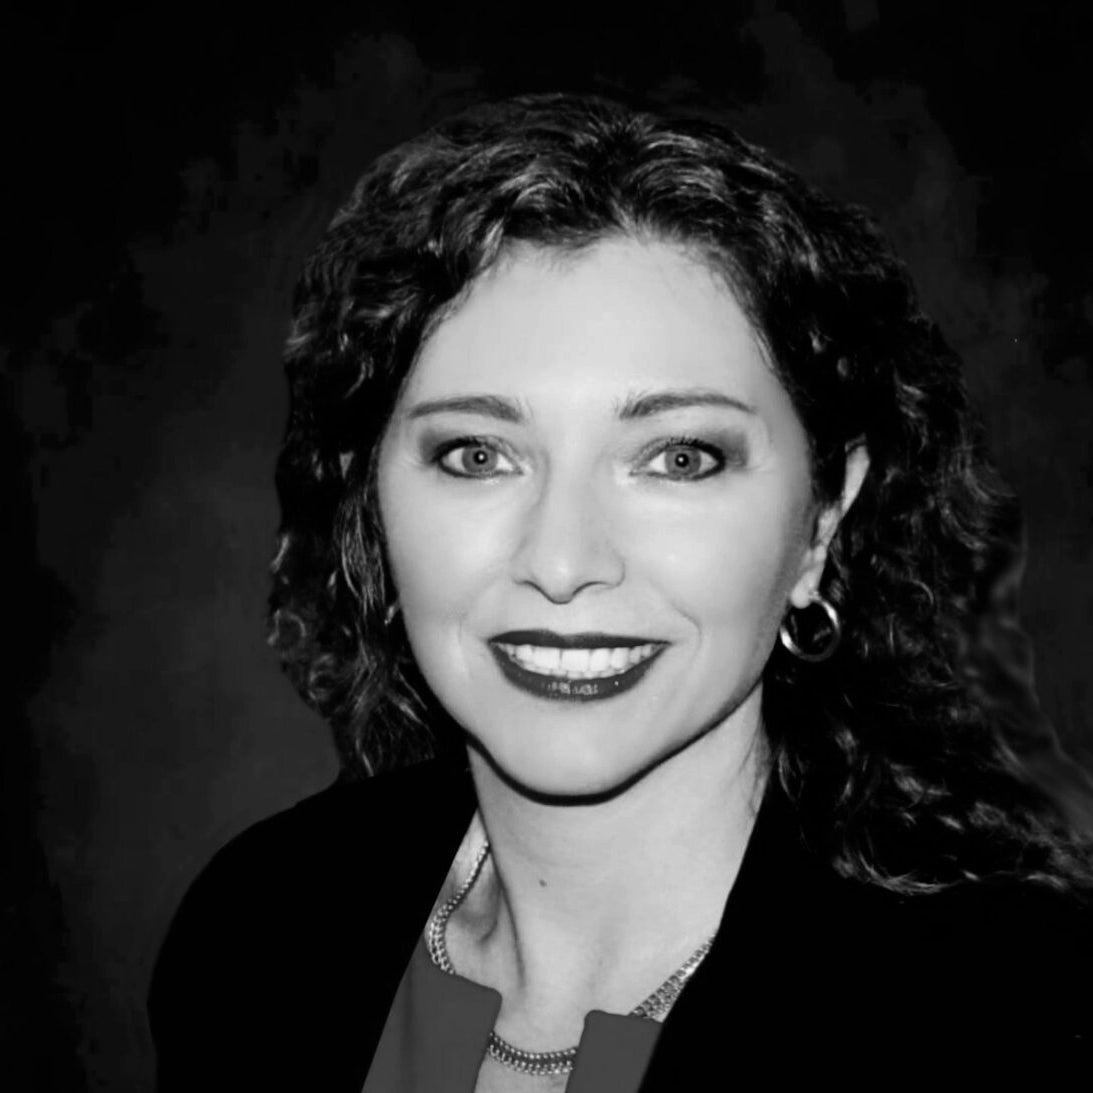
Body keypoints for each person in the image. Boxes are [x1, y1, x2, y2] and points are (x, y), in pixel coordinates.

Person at [148, 93, 1093, 1090]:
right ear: (371, 498)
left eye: (678, 457)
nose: (562, 562)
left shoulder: (1018, 1015)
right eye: (477, 454)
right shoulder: (255, 933)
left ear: (822, 519)